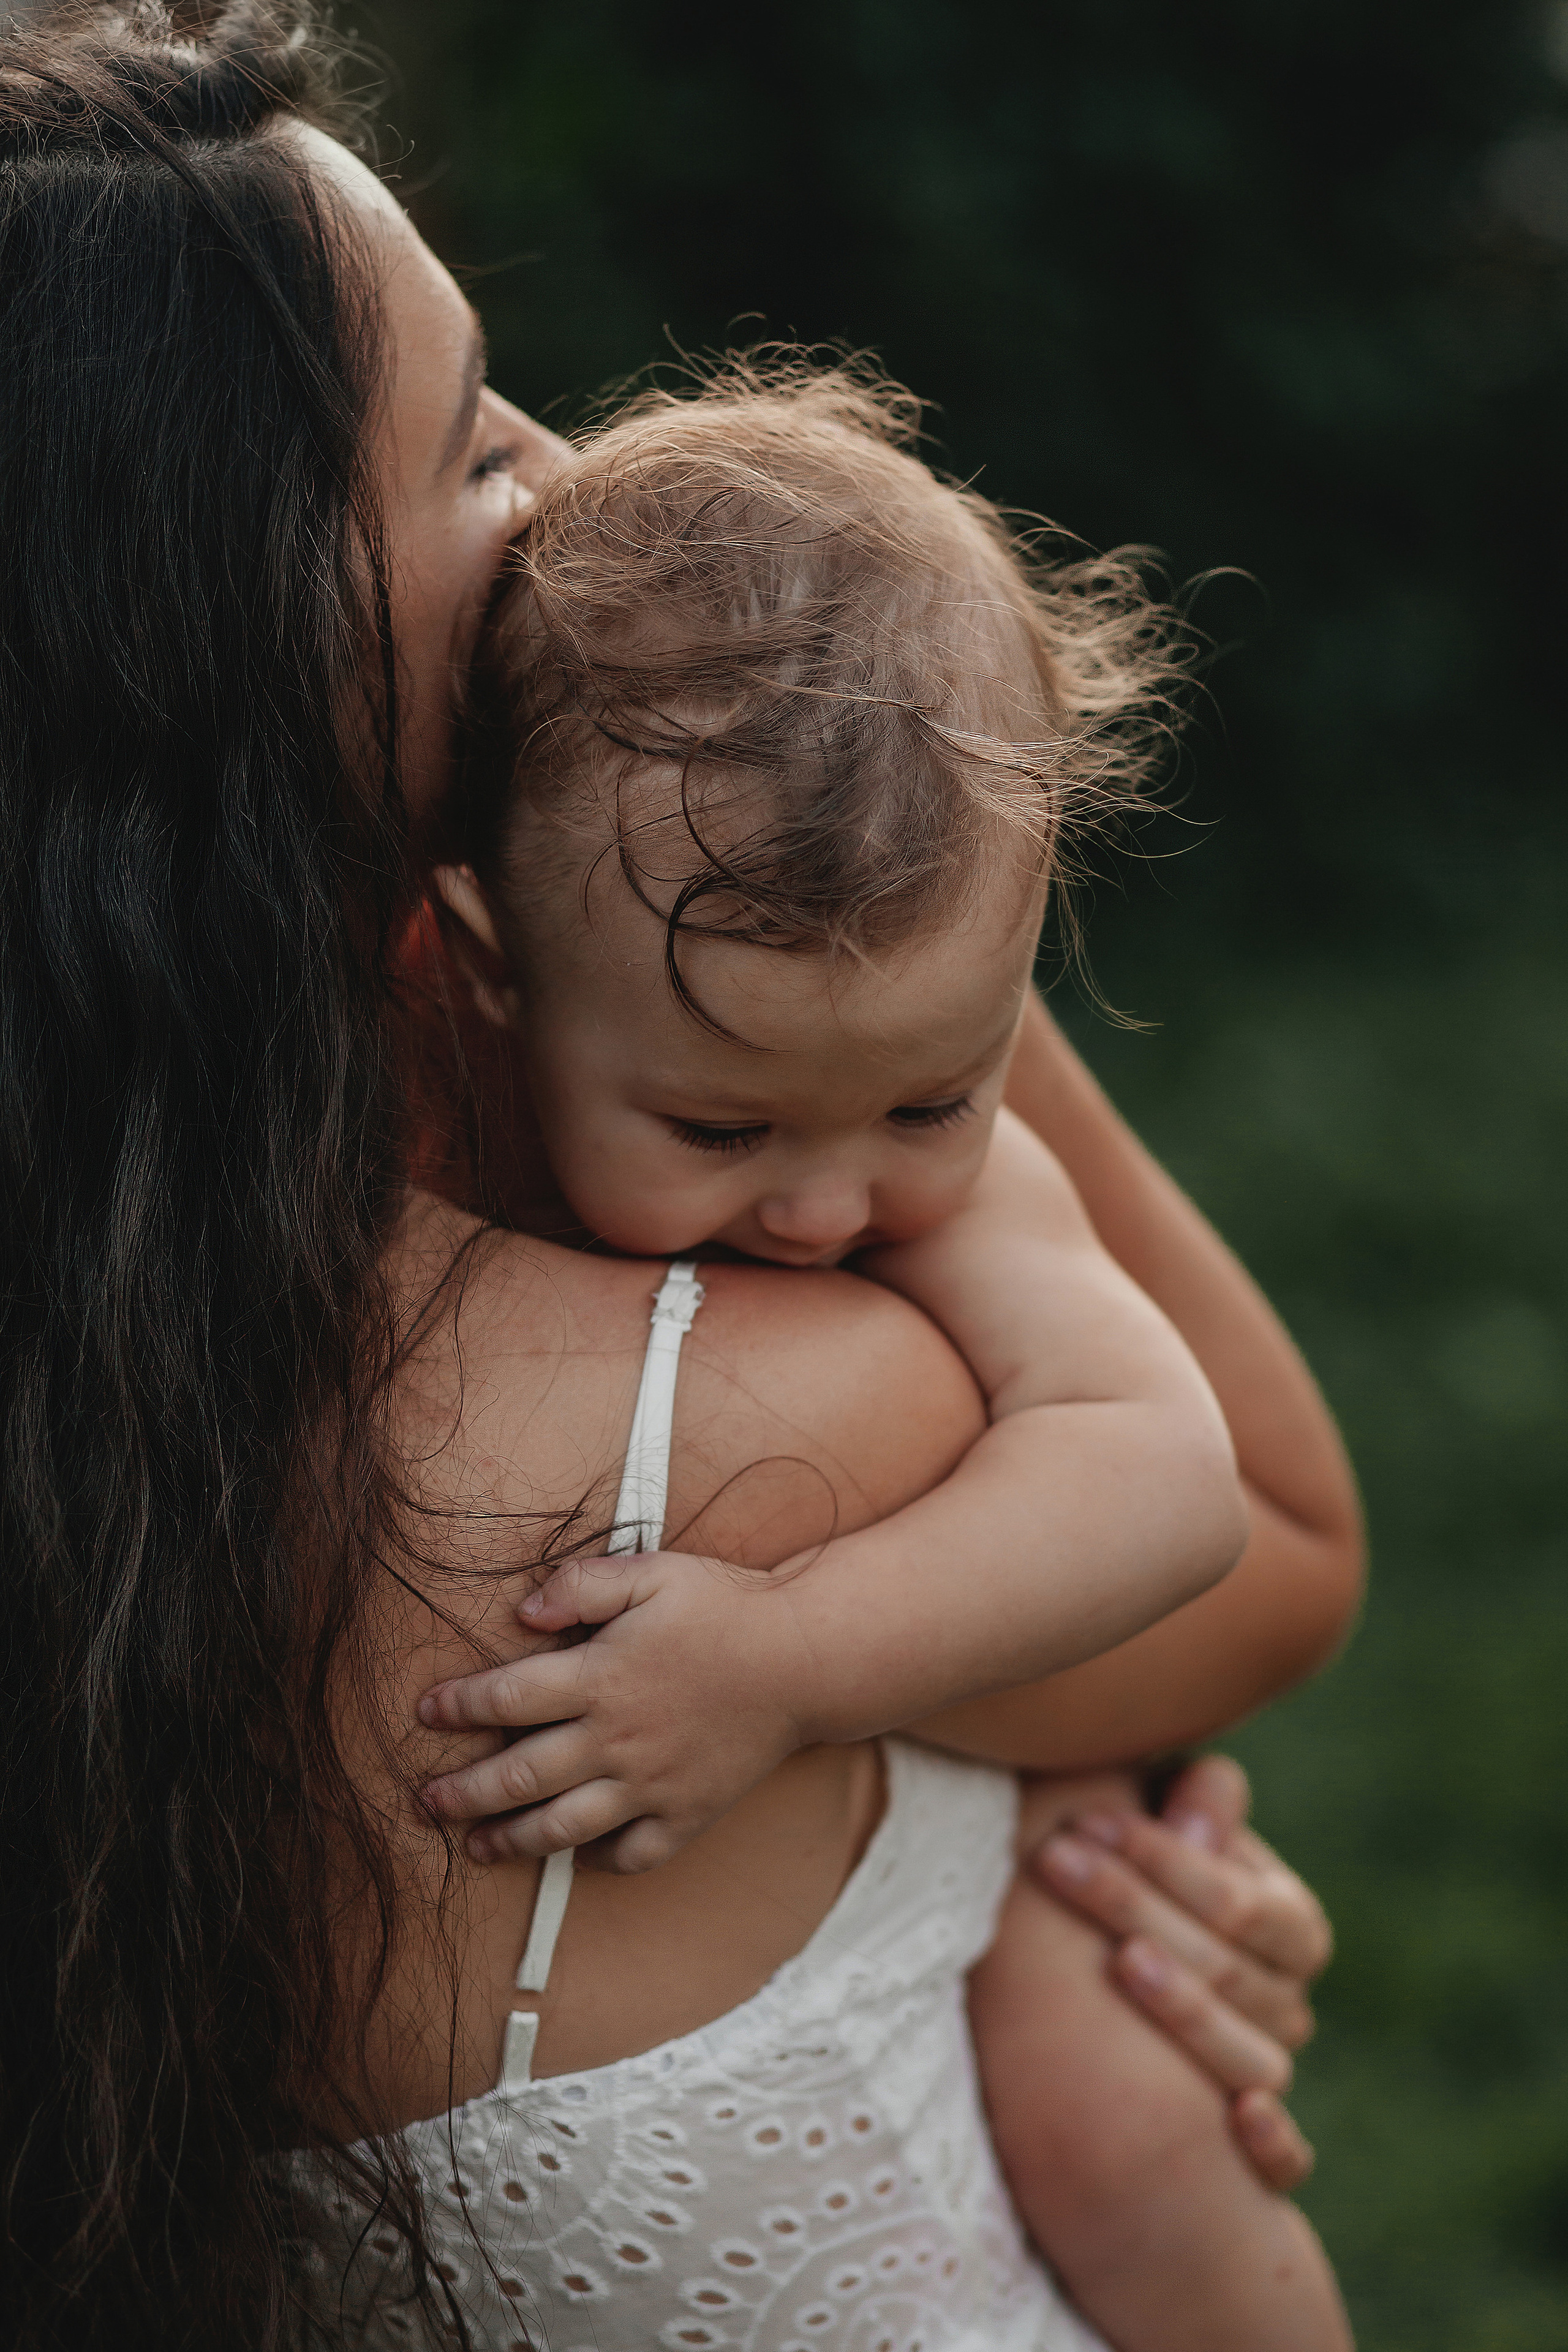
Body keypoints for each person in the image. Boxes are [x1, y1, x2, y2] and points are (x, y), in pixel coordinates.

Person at [0, 9, 1357, 2352]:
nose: (560, 478)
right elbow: (1264, 1555)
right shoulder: (737, 1430)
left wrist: (829, 854)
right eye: (463, 453)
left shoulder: (180, 1251)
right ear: (228, 627)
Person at [409, 369, 1350, 2349]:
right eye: (722, 1134)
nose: (835, 1209)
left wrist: (788, 1662)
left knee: (1136, 2115)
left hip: (1008, 1755)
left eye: (930, 1098)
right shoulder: (453, 1081)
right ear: (493, 965)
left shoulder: (948, 1149)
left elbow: (1172, 1476)